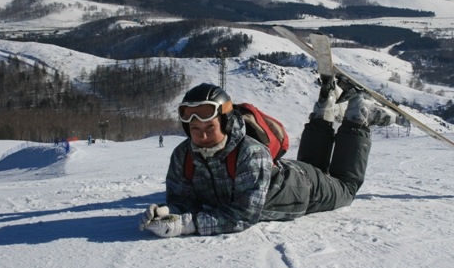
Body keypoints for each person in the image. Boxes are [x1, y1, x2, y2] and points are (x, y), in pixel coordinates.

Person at [139, 81, 396, 237]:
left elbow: (243, 214)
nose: (202, 136)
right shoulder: (183, 155)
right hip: (289, 173)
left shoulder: (250, 153)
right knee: (316, 166)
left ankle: (358, 113)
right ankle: (325, 103)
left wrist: (188, 225)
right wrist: (168, 212)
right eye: (195, 129)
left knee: (346, 188)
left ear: (226, 123)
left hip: (307, 191)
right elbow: (183, 200)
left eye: (210, 128)